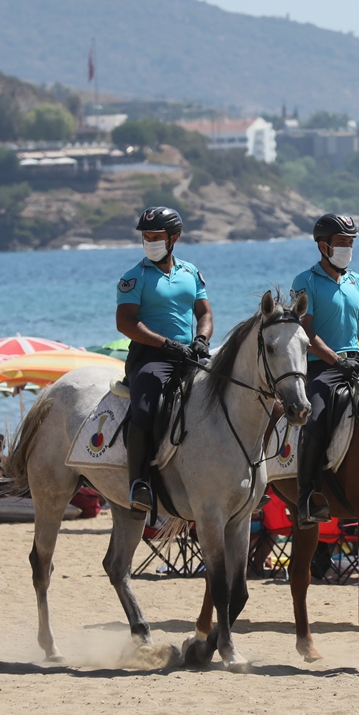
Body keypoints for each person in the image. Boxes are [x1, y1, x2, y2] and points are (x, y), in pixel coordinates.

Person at [115, 206, 213, 513]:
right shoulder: (133, 278)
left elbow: (205, 313)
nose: (150, 242)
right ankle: (139, 483)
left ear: (174, 238)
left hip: (189, 354)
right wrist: (166, 343)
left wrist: (202, 338)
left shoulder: (191, 272)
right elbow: (126, 323)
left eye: (156, 237)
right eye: (146, 237)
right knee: (145, 407)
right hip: (151, 356)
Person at [290, 213, 359, 527]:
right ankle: (307, 498)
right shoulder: (305, 281)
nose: (348, 248)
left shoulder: (357, 280)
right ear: (323, 246)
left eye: (351, 243)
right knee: (315, 417)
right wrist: (336, 360)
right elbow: (306, 332)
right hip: (321, 367)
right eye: (342, 242)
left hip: (357, 362)